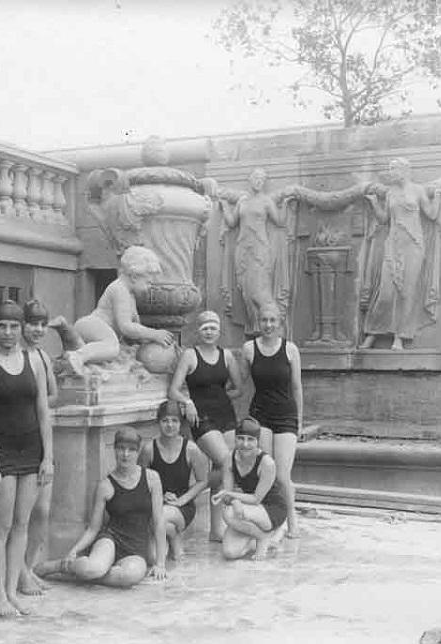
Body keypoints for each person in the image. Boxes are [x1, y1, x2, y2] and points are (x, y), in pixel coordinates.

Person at [0, 300, 53, 617]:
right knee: (1, 527)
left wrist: (49, 457)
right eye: (2, 325)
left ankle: (10, 591)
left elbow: (44, 413)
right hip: (1, 452)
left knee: (22, 524)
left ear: (21, 328)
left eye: (14, 326)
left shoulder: (34, 361)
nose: (8, 332)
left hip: (31, 450)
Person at [35, 427, 167, 587]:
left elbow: (159, 522)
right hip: (110, 540)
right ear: (114, 450)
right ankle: (60, 565)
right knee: (92, 569)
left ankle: (68, 575)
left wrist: (160, 563)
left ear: (138, 452)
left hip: (136, 548)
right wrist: (74, 550)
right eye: (121, 449)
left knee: (129, 577)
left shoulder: (152, 478)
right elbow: (93, 528)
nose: (125, 454)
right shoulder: (105, 486)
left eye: (131, 450)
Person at [359, 157, 441, 350]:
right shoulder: (391, 193)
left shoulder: (417, 190)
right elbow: (384, 219)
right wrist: (375, 203)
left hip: (413, 246)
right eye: (389, 168)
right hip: (393, 244)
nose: (391, 172)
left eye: (394, 168)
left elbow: (432, 214)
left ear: (405, 170)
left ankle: (399, 337)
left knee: (406, 293)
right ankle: (373, 333)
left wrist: (439, 196)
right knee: (385, 292)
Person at [168, 310, 241, 540]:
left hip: (226, 416)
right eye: (205, 328)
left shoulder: (226, 356)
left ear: (219, 332)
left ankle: (216, 530)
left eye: (213, 328)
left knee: (223, 470)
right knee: (226, 462)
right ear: (198, 332)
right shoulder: (190, 355)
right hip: (201, 418)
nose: (209, 332)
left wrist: (223, 397)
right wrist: (187, 401)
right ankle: (194, 492)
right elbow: (173, 390)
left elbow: (239, 388)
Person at [55, 245, 174, 375]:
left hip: (98, 332)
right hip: (91, 325)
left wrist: (147, 339)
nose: (150, 287)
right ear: (134, 276)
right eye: (148, 282)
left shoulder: (130, 296)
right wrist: (154, 334)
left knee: (114, 352)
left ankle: (66, 331)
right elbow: (126, 327)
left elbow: (134, 330)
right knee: (112, 347)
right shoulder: (119, 289)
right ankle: (77, 357)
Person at [240, 302, 302, 538]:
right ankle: (271, 520)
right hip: (260, 415)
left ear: (280, 323)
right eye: (264, 320)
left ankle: (292, 521)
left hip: (286, 414)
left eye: (272, 320)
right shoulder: (248, 349)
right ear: (258, 322)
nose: (268, 325)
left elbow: (297, 388)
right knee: (268, 471)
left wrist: (300, 420)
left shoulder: (290, 349)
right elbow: (241, 384)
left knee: (284, 475)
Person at [19, 299, 59, 595]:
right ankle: (19, 572)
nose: (38, 329)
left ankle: (28, 567)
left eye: (43, 324)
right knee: (20, 513)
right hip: (16, 441)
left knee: (42, 510)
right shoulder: (13, 355)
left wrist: (39, 406)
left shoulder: (43, 357)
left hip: (40, 438)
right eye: (33, 323)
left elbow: (53, 394)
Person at [220, 167, 291, 334]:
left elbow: (280, 221)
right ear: (250, 180)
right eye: (256, 178)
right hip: (243, 248)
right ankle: (255, 330)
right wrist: (224, 206)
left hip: (260, 249)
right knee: (246, 292)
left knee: (259, 292)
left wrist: (286, 204)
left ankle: (275, 328)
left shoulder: (266, 201)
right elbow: (231, 223)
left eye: (262, 179)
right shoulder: (242, 201)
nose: (259, 182)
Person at [138, 400, 208, 560]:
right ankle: (173, 535)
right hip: (156, 504)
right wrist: (160, 497)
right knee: (153, 557)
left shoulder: (191, 449)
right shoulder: (149, 450)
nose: (170, 425)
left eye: (174, 421)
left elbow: (203, 481)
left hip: (182, 507)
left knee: (160, 516)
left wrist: (182, 500)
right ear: (158, 423)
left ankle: (169, 543)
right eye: (165, 421)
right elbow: (141, 482)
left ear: (180, 423)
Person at [212, 417, 288, 560]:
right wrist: (234, 500)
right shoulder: (230, 458)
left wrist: (231, 496)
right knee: (230, 553)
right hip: (247, 509)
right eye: (240, 438)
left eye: (250, 439)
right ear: (235, 439)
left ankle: (262, 536)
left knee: (228, 514)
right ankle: (273, 536)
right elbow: (228, 497)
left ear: (257, 441)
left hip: (271, 509)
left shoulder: (267, 463)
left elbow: (256, 498)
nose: (245, 444)